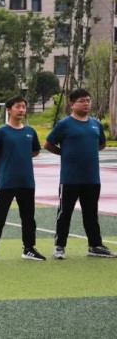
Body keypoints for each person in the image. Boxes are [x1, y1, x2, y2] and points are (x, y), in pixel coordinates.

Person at [44, 88, 117, 259]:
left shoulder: (96, 124)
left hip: (92, 178)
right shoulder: (64, 124)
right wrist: (65, 154)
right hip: (70, 178)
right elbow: (48, 144)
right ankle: (59, 246)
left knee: (91, 213)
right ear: (72, 104)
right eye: (82, 101)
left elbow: (101, 144)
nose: (86, 104)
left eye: (88, 101)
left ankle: (95, 246)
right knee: (65, 212)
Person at [0, 96, 45, 262]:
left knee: (28, 218)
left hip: (27, 182)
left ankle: (29, 248)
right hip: (7, 182)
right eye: (18, 106)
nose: (21, 110)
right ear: (9, 110)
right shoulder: (1, 132)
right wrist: (5, 159)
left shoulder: (30, 132)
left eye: (24, 107)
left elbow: (35, 151)